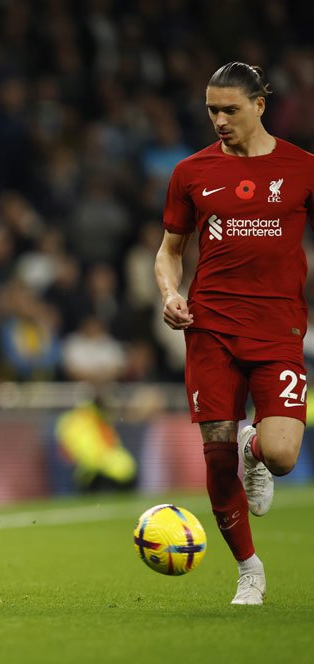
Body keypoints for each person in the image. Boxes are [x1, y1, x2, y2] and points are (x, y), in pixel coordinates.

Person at [155, 63, 314, 606]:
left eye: (230, 110)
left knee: (283, 456)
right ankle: (249, 570)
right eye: (211, 111)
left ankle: (255, 446)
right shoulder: (191, 172)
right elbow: (169, 250)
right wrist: (169, 295)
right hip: (211, 327)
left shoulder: (303, 168)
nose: (219, 120)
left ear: (260, 106)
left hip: (279, 328)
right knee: (216, 456)